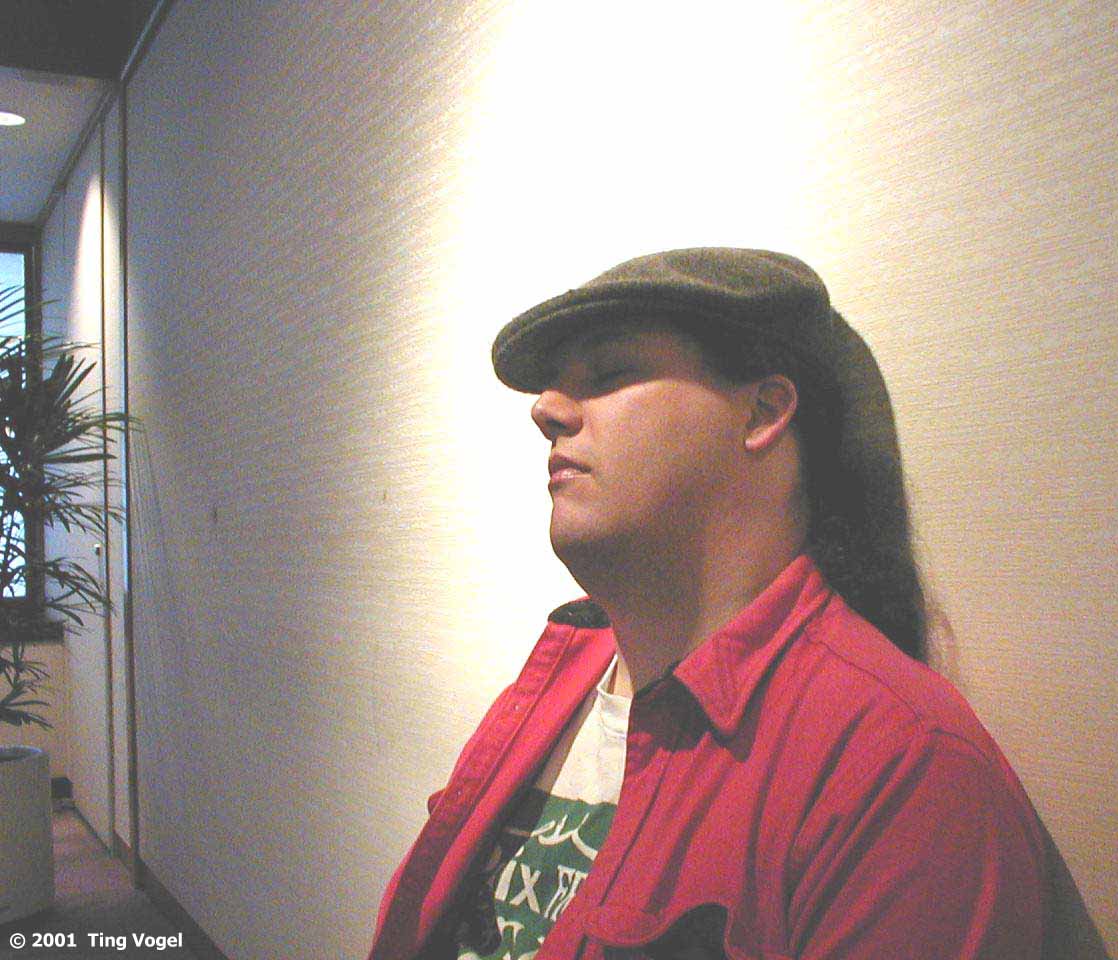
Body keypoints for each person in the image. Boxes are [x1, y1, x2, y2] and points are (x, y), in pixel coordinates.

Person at [368, 248, 1048, 960]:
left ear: (762, 412)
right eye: (554, 387)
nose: (546, 410)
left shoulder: (900, 775)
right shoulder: (557, 679)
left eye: (610, 373)